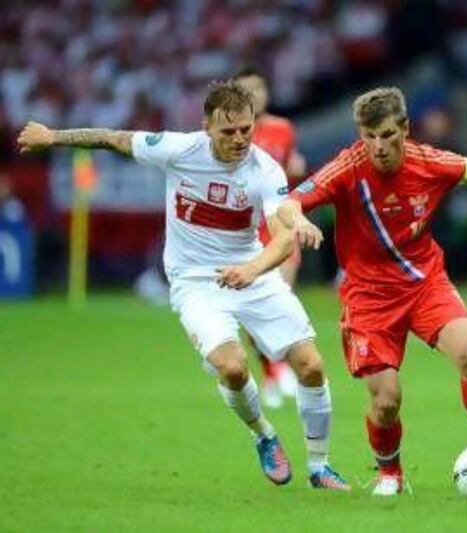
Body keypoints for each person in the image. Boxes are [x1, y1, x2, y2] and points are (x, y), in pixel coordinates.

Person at [16, 80, 349, 491]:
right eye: (229, 131)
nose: (240, 139)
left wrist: (258, 262)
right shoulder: (178, 149)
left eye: (246, 129)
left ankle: (320, 467)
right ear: (206, 126)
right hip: (195, 283)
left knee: (312, 366)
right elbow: (113, 139)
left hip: (253, 274)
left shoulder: (264, 168)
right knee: (232, 366)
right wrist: (53, 137)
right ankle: (264, 435)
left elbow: (282, 233)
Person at [271, 87, 467, 496]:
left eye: (388, 134)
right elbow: (291, 201)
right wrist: (297, 220)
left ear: (405, 128)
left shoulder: (432, 163)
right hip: (368, 297)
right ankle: (391, 474)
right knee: (386, 402)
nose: (378, 146)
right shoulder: (346, 168)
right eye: (369, 136)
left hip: (425, 283)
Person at [234, 67, 305, 409]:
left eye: (260, 88)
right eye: (247, 90)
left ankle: (281, 368)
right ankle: (271, 370)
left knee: (280, 299)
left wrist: (296, 169)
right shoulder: (231, 133)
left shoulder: (283, 128)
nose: (255, 95)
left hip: (278, 228)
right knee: (250, 313)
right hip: (243, 231)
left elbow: (290, 169)